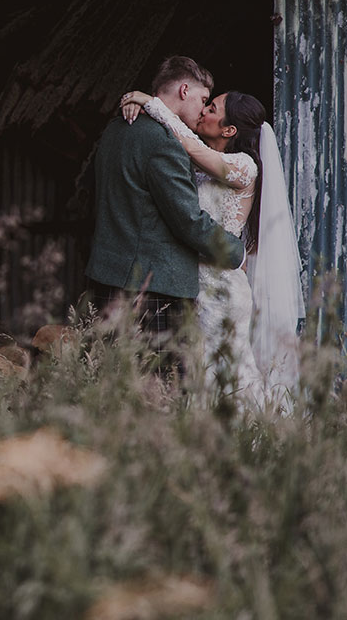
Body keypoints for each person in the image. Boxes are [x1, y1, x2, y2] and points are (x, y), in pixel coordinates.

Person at [120, 86, 305, 405]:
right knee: (200, 372)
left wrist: (153, 104)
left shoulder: (245, 166)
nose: (203, 111)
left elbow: (191, 148)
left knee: (228, 374)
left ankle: (251, 443)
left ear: (229, 129)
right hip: (197, 286)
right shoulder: (204, 166)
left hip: (222, 289)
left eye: (212, 109)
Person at [86, 56, 245, 374]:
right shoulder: (163, 143)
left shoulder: (116, 128)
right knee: (161, 394)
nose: (203, 109)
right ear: (185, 90)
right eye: (203, 99)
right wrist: (234, 251)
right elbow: (187, 220)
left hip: (107, 279)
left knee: (113, 390)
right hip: (152, 289)